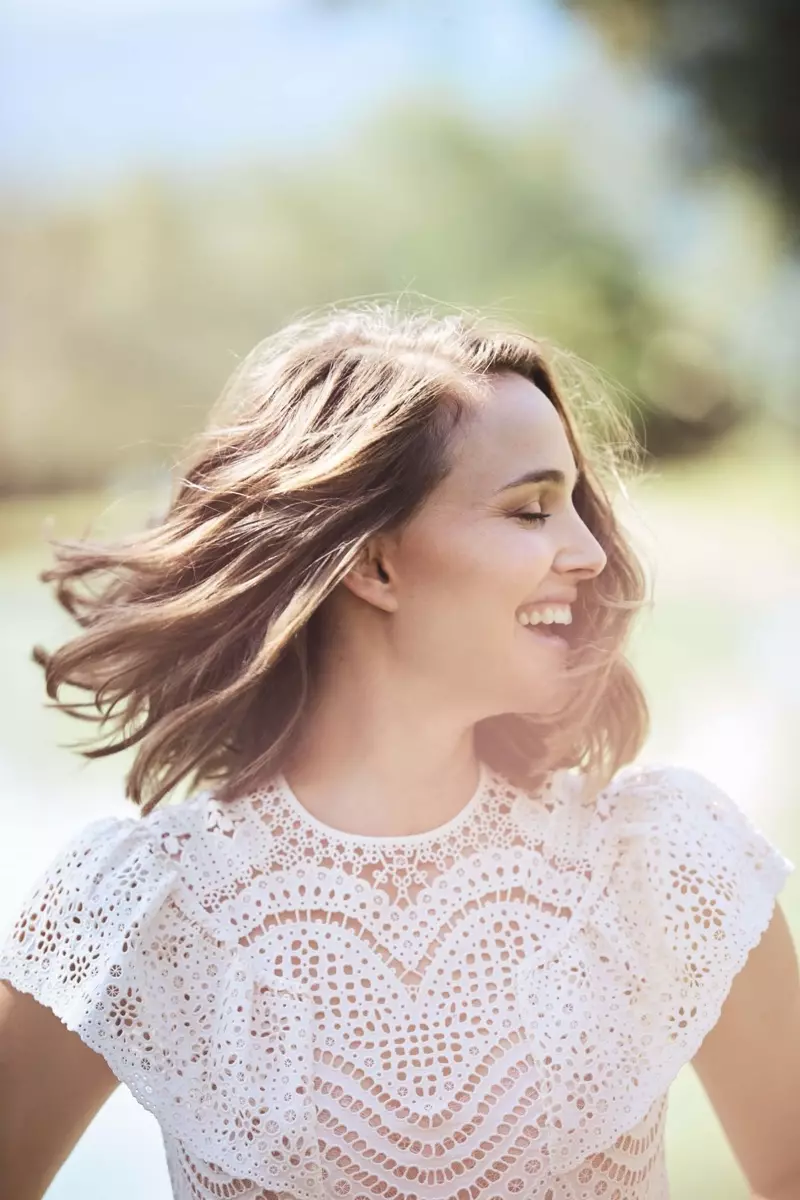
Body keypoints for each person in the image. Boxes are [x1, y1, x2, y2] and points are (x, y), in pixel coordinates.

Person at [0, 304, 798, 1200]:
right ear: (375, 565)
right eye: (532, 510)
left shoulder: (672, 866)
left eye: (576, 503)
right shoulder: (141, 908)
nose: (586, 550)